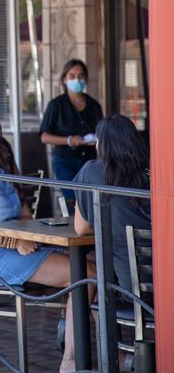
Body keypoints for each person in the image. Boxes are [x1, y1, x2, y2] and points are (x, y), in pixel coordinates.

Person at [0, 99, 96, 373]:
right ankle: (70, 359)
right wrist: (13, 241)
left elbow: (24, 217)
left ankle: (85, 341)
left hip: (22, 250)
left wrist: (29, 230)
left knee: (92, 267)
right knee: (87, 274)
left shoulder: (0, 170)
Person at [74, 114, 151, 294]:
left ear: (101, 144)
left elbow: (81, 228)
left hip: (132, 290)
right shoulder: (152, 171)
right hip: (166, 285)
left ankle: (87, 322)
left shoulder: (92, 171)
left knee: (89, 271)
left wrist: (113, 227)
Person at [40, 59, 103, 209]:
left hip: (89, 161)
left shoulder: (94, 105)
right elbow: (44, 136)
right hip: (65, 161)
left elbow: (102, 132)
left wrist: (95, 140)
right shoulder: (56, 105)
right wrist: (69, 140)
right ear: (64, 79)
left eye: (81, 76)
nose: (77, 80)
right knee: (72, 200)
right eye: (72, 76)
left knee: (90, 200)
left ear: (86, 79)